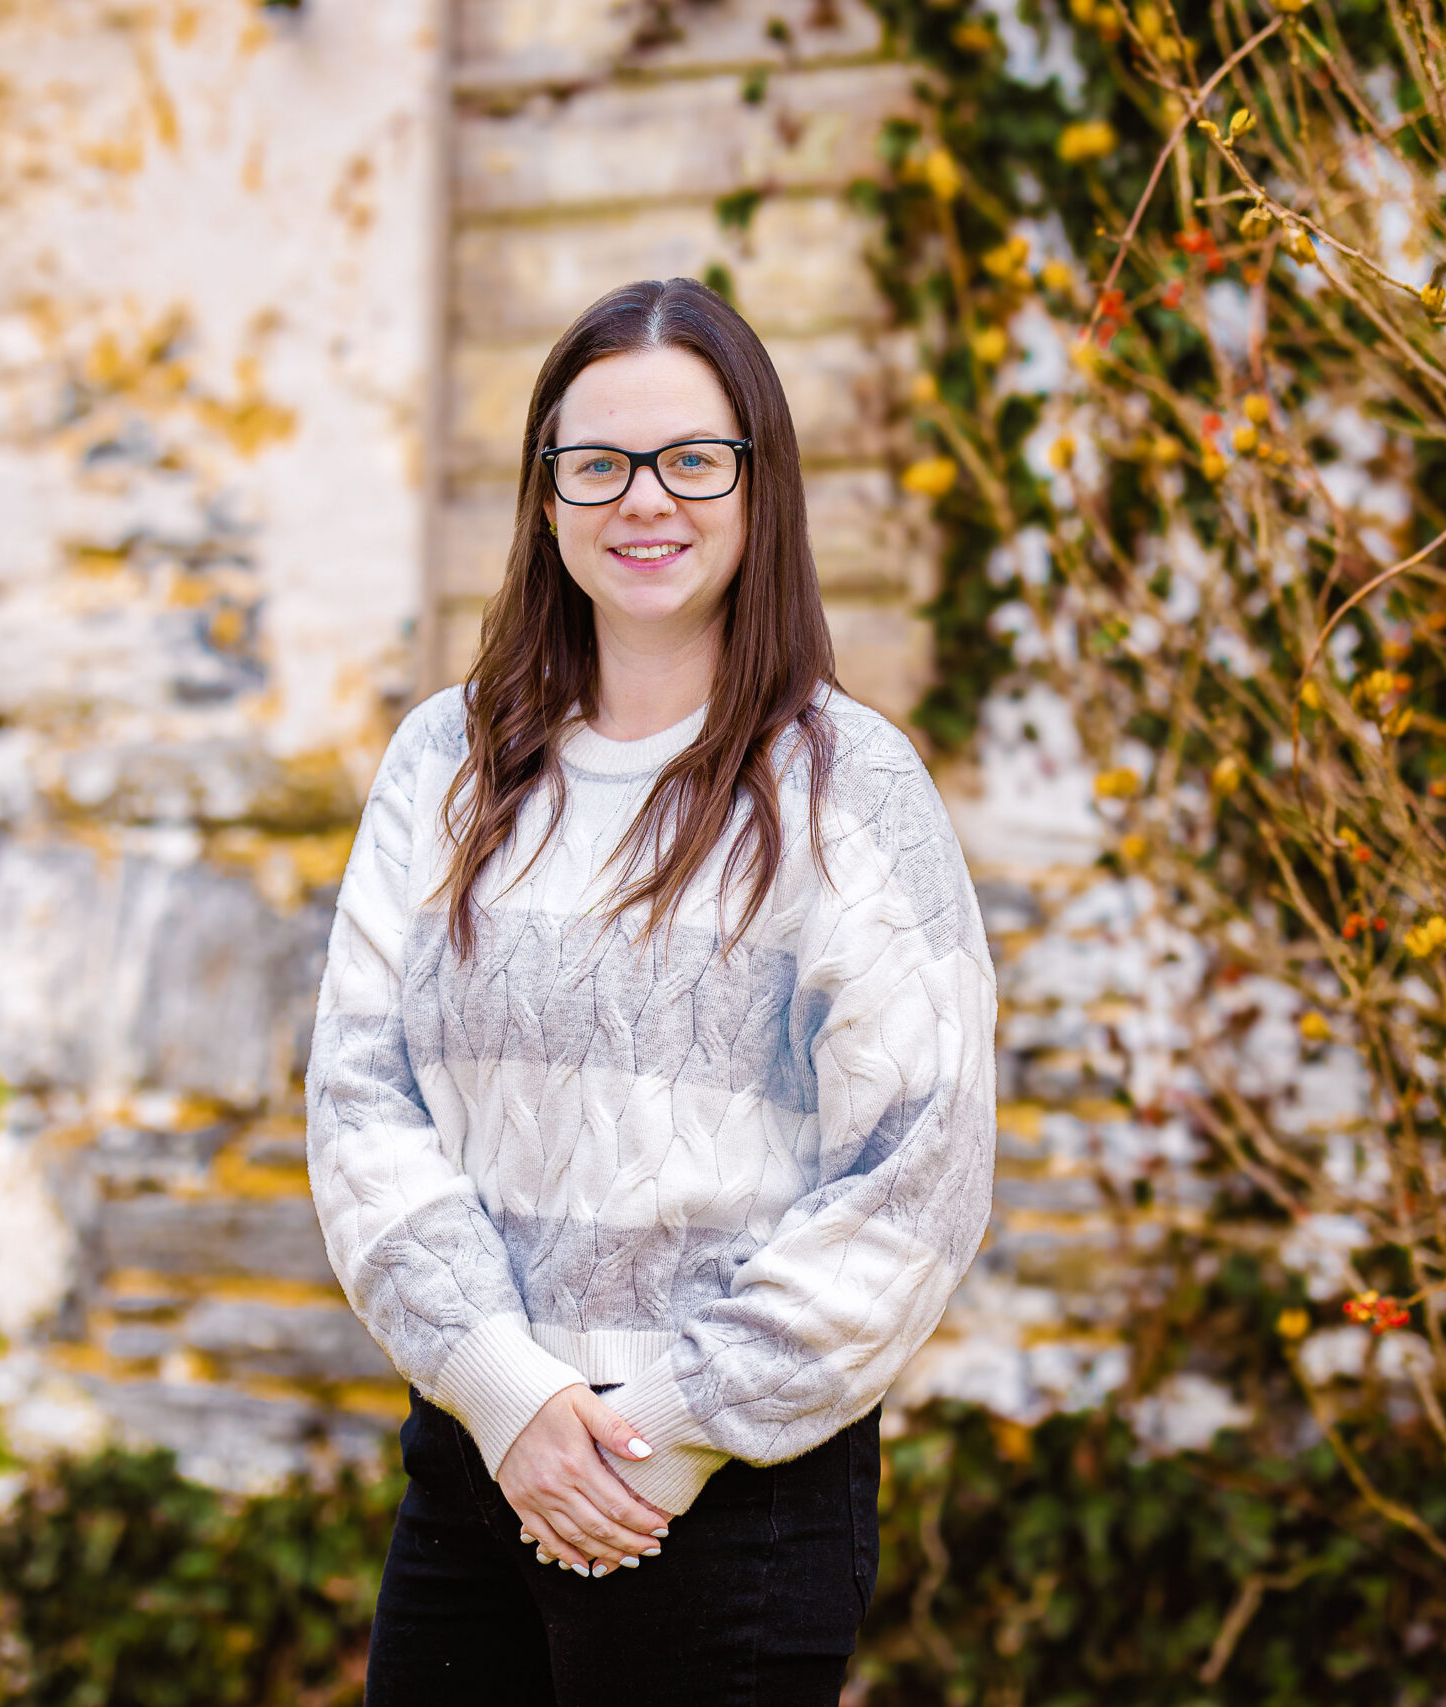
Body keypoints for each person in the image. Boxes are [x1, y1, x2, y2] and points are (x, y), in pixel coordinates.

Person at [307, 276, 996, 1707]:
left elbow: (916, 1171)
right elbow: (361, 1102)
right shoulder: (445, 761)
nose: (644, 501)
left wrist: (671, 1426)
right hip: (477, 1461)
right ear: (546, 491)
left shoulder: (849, 789)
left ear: (759, 484)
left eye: (692, 459)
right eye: (599, 463)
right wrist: (508, 1395)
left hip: (734, 1493)